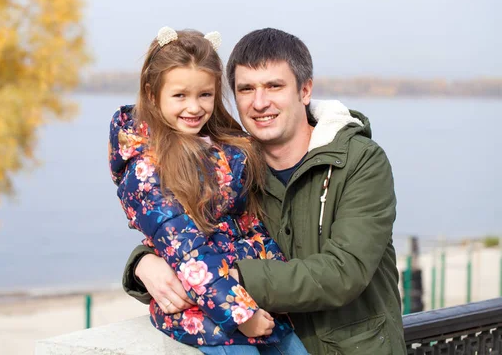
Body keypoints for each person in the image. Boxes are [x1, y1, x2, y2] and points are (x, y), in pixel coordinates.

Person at [122, 28, 407, 354]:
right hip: (271, 336)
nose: (260, 102)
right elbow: (183, 229)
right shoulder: (233, 167)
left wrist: (224, 277)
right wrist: (142, 264)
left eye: (274, 86)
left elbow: (343, 273)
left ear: (305, 90)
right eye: (246, 89)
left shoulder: (360, 162)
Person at [108, 27, 309, 354]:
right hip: (207, 315)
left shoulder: (225, 148)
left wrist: (274, 281)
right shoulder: (146, 169)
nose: (194, 107)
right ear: (151, 92)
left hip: (251, 297)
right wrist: (240, 315)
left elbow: (247, 224)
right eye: (180, 96)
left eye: (204, 95)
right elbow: (188, 250)